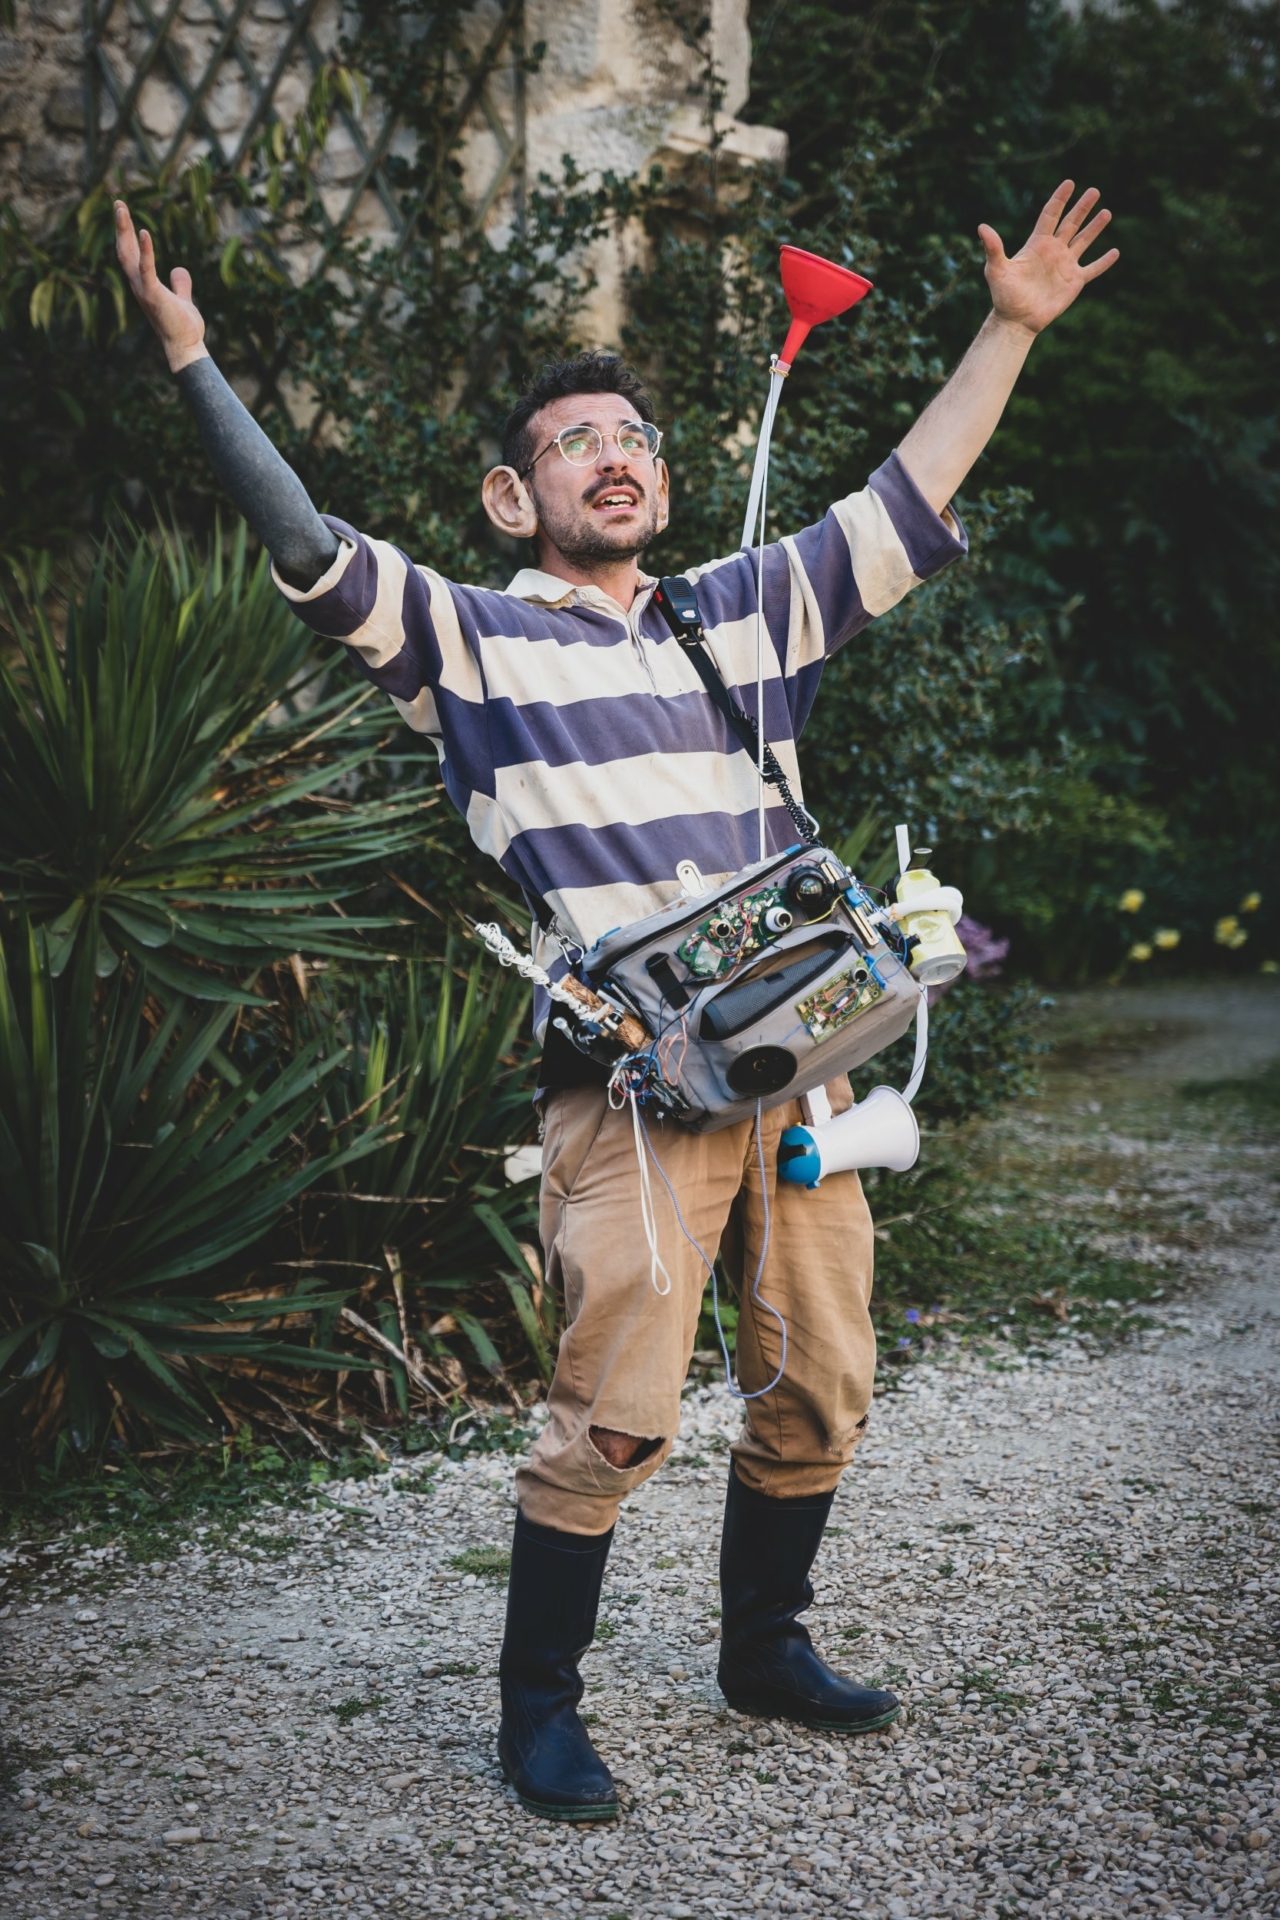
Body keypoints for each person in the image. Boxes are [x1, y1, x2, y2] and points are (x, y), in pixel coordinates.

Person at [114, 181, 1117, 1823]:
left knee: (823, 1378)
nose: (616, 452)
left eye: (634, 433)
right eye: (578, 440)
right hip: (632, 1087)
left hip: (798, 1064)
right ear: (519, 494)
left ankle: (763, 1643)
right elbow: (306, 549)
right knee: (616, 1413)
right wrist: (195, 364)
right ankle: (539, 1711)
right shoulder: (476, 646)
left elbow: (908, 495)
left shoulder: (743, 615)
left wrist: (1007, 330)